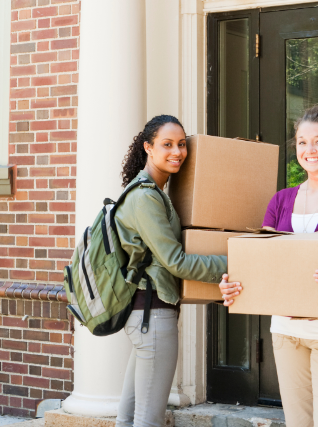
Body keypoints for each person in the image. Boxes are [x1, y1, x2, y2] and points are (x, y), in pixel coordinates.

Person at [219, 106, 318, 427]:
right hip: (287, 331)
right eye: (302, 142)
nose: (310, 150)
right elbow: (262, 262)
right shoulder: (280, 201)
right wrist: (233, 284)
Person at [114, 115, 228, 427]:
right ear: (148, 147)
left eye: (181, 145)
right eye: (167, 144)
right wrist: (236, 263)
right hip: (152, 318)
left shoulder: (153, 192)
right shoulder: (146, 197)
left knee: (128, 418)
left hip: (144, 316)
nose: (177, 151)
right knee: (147, 421)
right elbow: (175, 261)